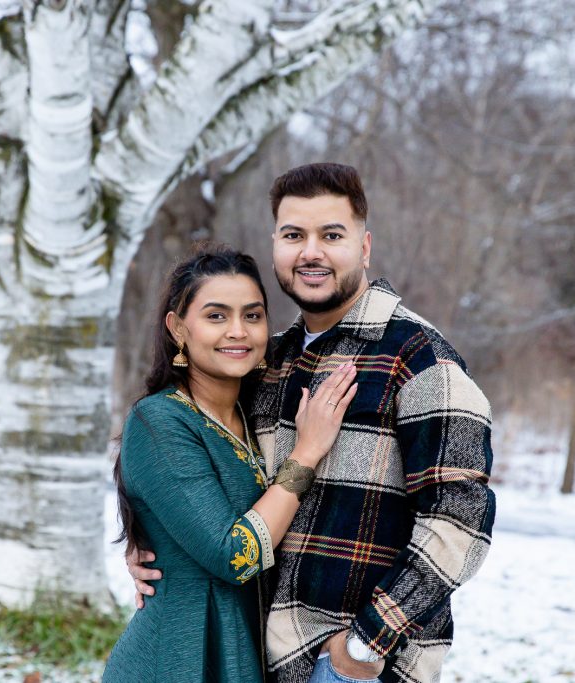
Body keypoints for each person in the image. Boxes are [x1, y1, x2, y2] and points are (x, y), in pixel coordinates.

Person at [130, 164, 496, 683]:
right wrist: (154, 542)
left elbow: (460, 522)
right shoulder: (268, 360)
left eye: (331, 235)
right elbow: (198, 464)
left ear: (364, 247)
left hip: (352, 667)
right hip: (261, 658)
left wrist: (364, 645)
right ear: (276, 245)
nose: (311, 252)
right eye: (294, 235)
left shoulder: (420, 360)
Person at [103, 243, 358, 683]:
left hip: (258, 650)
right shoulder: (159, 421)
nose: (238, 331)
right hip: (182, 655)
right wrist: (306, 453)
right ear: (178, 328)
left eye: (253, 315)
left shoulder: (259, 411)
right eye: (216, 316)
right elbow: (235, 555)